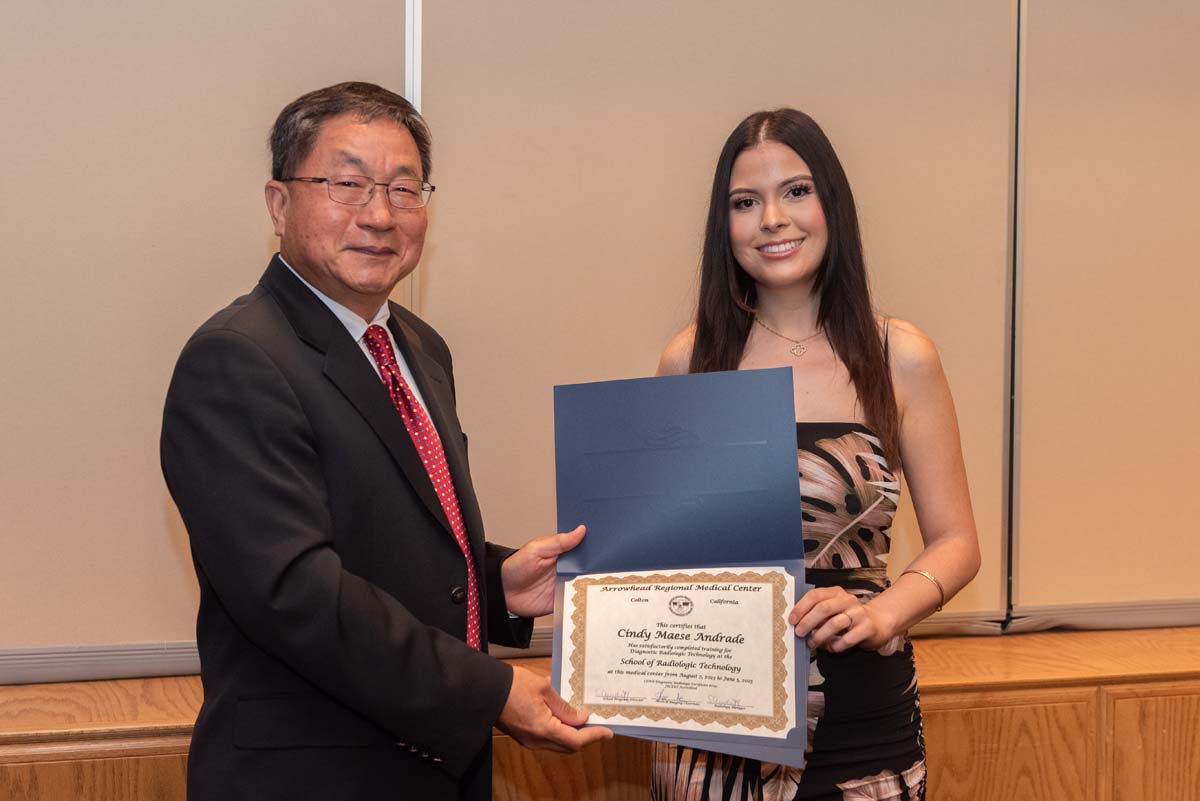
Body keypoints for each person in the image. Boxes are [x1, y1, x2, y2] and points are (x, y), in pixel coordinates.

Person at [160, 82, 611, 801]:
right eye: (346, 184)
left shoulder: (418, 347)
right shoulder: (237, 358)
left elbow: (388, 540)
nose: (378, 214)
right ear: (279, 203)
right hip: (312, 778)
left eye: (404, 189)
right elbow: (296, 593)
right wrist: (493, 691)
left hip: (433, 768)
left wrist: (499, 586)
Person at [652, 109, 981, 800]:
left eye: (796, 191)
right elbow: (659, 554)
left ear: (833, 204)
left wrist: (885, 612)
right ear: (726, 225)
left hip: (862, 716)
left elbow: (957, 541)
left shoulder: (901, 357)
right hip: (714, 722)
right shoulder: (690, 360)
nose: (773, 218)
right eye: (746, 202)